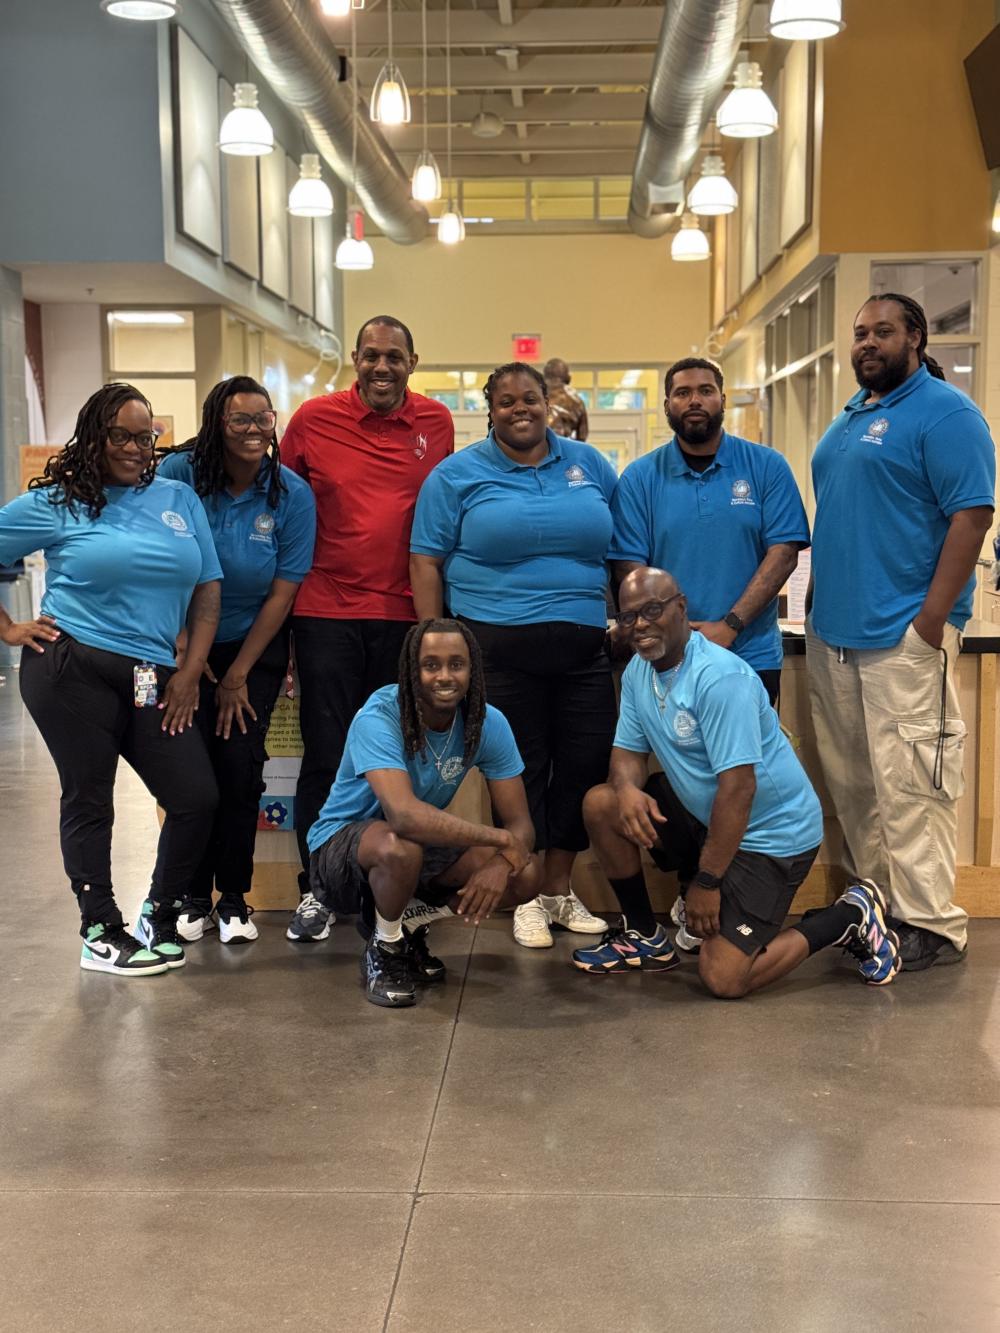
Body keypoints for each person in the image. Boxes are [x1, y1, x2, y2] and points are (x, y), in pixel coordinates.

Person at [575, 567, 902, 996]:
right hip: (709, 815)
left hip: (773, 835)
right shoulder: (640, 671)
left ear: (680, 608)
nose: (640, 626)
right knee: (603, 803)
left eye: (652, 610)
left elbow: (739, 788)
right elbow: (628, 753)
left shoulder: (720, 679)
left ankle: (849, 917)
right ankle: (644, 938)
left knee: (724, 977)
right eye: (628, 617)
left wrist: (707, 884)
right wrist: (627, 789)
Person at [0, 383, 222, 976]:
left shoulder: (178, 497)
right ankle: (100, 928)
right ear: (94, 438)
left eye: (143, 435)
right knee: (90, 797)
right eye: (119, 434)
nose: (133, 447)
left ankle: (161, 910)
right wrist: (9, 629)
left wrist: (191, 671)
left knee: (195, 796)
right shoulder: (57, 502)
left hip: (152, 676)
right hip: (73, 666)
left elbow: (207, 589)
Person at [807, 293, 996, 972]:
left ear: (915, 337)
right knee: (857, 785)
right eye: (859, 333)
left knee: (913, 790)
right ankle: (881, 907)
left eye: (882, 331)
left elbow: (971, 517)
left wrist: (929, 624)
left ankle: (935, 928)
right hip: (836, 639)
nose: (867, 342)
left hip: (902, 640)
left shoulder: (945, 414)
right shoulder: (853, 416)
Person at [410, 361, 614, 949]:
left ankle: (557, 889)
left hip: (584, 651)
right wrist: (432, 642)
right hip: (496, 649)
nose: (520, 409)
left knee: (581, 767)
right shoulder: (457, 475)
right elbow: (425, 559)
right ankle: (523, 892)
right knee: (517, 773)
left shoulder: (589, 465)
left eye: (530, 398)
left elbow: (622, 550)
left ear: (548, 401)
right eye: (506, 401)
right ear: (490, 409)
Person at [610, 356, 809, 954]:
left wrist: (729, 625)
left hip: (748, 654)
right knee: (683, 781)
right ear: (667, 404)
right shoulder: (641, 478)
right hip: (662, 656)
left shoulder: (764, 467)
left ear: (723, 399)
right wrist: (660, 629)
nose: (693, 400)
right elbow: (630, 569)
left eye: (704, 390)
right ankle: (693, 895)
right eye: (680, 392)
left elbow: (783, 552)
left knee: (734, 778)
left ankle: (721, 891)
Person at [281, 316, 454, 943]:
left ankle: (396, 892)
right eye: (372, 357)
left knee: (403, 765)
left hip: (405, 622)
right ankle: (316, 889)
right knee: (327, 756)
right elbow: (283, 506)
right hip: (326, 612)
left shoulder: (436, 424)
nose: (383, 368)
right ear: (355, 359)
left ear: (414, 361)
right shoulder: (312, 421)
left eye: (396, 358)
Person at [307, 618, 541, 1007]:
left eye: (456, 664)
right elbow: (403, 816)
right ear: (411, 671)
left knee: (527, 872)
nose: (444, 676)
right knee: (400, 846)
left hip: (411, 845)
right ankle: (385, 951)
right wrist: (500, 839)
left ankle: (406, 926)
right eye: (430, 665)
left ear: (473, 669)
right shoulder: (380, 716)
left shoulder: (487, 722)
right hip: (341, 850)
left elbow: (522, 827)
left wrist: (501, 862)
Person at [158, 377, 316, 944]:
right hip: (178, 645)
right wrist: (187, 653)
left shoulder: (290, 493)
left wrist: (237, 675)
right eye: (238, 420)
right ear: (215, 424)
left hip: (254, 649)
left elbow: (283, 590)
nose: (253, 431)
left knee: (239, 770)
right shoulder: (178, 476)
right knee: (190, 774)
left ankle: (233, 899)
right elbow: (161, 561)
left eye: (263, 419)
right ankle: (191, 897)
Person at [543, 357, 589, 440]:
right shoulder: (576, 401)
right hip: (563, 447)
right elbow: (582, 436)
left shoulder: (534, 395)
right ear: (567, 377)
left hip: (536, 448)